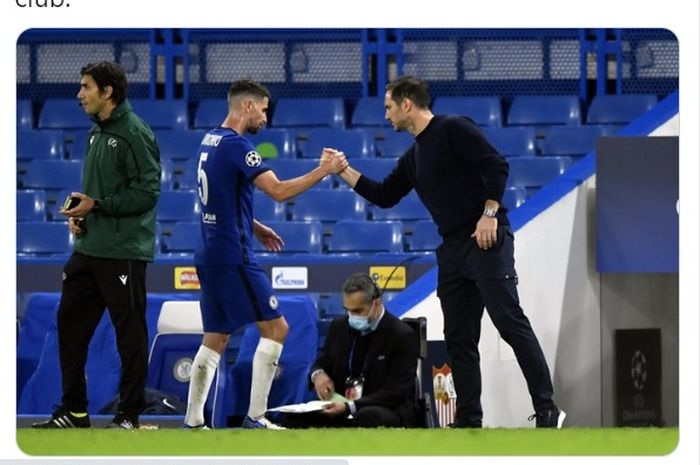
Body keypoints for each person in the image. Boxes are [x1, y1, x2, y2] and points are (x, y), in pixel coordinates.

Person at [330, 76, 565, 428]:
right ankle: (469, 419)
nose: (387, 116)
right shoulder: (414, 156)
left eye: (389, 107)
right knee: (458, 338)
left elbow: (496, 165)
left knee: (510, 324)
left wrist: (489, 215)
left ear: (407, 104)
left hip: (484, 238)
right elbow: (384, 196)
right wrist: (342, 170)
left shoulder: (453, 128)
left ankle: (548, 409)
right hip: (452, 249)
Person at [182, 79, 348, 430]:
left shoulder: (209, 140)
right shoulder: (238, 146)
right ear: (247, 106)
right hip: (233, 255)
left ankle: (193, 422)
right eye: (263, 109)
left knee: (216, 334)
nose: (265, 117)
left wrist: (253, 224)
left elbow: (218, 197)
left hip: (208, 251)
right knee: (276, 328)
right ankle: (256, 417)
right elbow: (278, 190)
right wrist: (325, 169)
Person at [32, 61, 161, 430]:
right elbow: (101, 192)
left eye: (86, 86)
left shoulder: (135, 133)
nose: (79, 94)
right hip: (88, 249)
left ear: (108, 92)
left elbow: (148, 193)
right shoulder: (95, 133)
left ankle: (128, 415)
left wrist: (99, 207)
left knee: (129, 335)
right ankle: (73, 411)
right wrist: (82, 214)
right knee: (69, 327)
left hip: (123, 252)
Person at [284, 273, 418, 428]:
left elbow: (398, 392)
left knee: (367, 416)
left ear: (377, 303)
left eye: (358, 311)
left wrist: (350, 406)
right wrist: (318, 375)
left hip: (385, 408)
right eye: (348, 310)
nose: (352, 316)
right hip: (341, 406)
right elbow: (321, 362)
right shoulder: (339, 326)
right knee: (295, 418)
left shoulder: (401, 335)